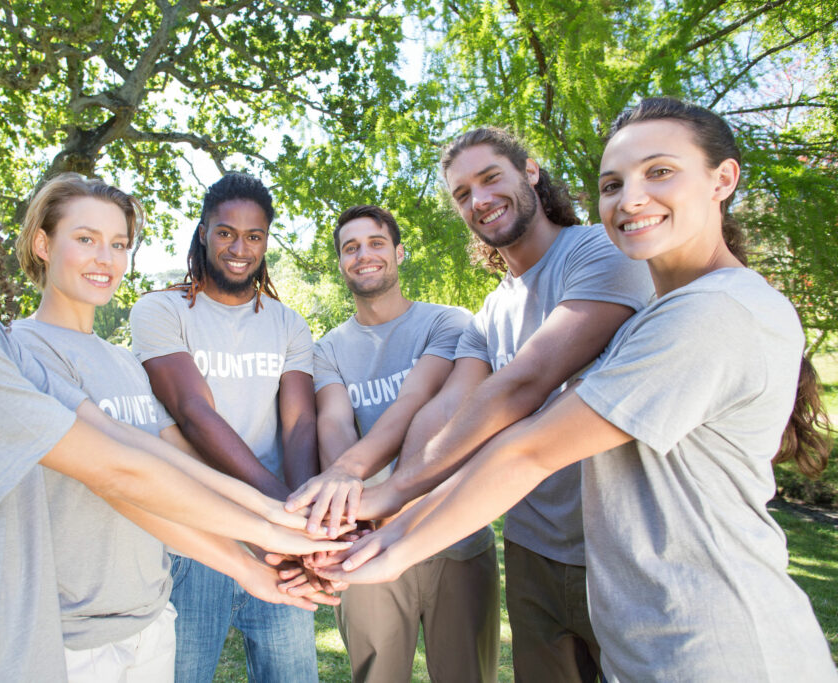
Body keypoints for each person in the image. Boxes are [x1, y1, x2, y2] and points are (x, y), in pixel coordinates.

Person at [0, 82, 345, 683]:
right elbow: (116, 473)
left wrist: (263, 547)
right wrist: (282, 529)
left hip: (112, 625)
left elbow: (134, 454)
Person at [323, 98, 837, 682]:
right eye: (614, 183)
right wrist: (388, 495)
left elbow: (528, 415)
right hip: (580, 574)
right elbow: (449, 407)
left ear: (723, 180)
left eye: (660, 171)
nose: (633, 198)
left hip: (705, 632)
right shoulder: (531, 310)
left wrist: (394, 518)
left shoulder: (673, 294)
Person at [292, 128, 653, 681]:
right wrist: (382, 514)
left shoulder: (599, 253)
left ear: (530, 172)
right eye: (462, 193)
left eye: (490, 179)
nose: (478, 200)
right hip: (534, 549)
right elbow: (443, 414)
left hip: (619, 549)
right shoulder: (489, 314)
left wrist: (382, 499)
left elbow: (521, 385)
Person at [12, 173, 332, 682]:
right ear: (42, 243)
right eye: (86, 239)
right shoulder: (28, 347)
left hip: (162, 598)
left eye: (118, 244)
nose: (105, 258)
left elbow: (174, 461)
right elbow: (140, 458)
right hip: (99, 610)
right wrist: (276, 520)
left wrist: (290, 521)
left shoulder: (120, 363)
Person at [294, 204, 499, 682]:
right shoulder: (327, 350)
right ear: (341, 263)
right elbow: (335, 426)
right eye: (350, 248)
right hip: (366, 544)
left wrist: (357, 481)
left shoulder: (448, 322)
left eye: (376, 243)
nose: (363, 255)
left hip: (453, 535)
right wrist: (354, 517)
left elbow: (417, 400)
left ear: (399, 253)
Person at [130, 173, 321, 683]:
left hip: (281, 540)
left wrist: (298, 518)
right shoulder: (159, 310)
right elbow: (193, 411)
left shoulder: (287, 323)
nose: (240, 247)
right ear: (202, 233)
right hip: (197, 537)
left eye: (254, 235)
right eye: (225, 233)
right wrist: (279, 515)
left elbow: (301, 422)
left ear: (266, 241)